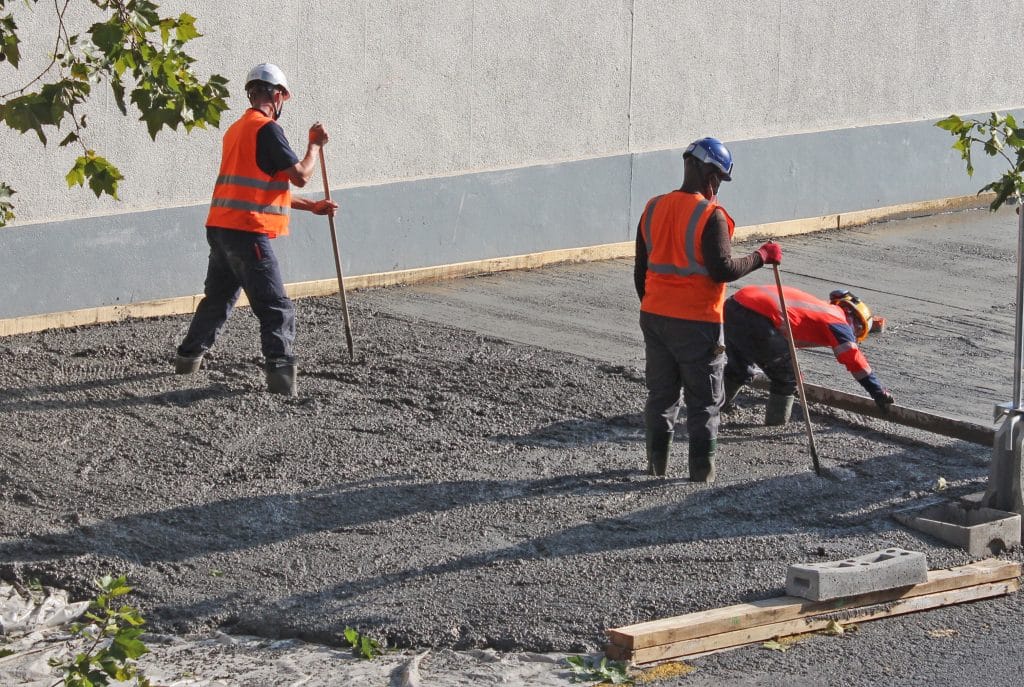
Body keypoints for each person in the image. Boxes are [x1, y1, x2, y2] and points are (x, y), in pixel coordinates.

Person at [174, 63, 338, 396]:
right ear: (277, 95)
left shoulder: (237, 130)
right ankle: (281, 380)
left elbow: (259, 189)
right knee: (276, 306)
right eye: (283, 98)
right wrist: (315, 146)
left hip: (222, 228)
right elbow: (300, 175)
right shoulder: (267, 130)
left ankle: (187, 360)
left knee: (217, 300)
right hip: (247, 232)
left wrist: (312, 207)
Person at [634, 137, 780, 482]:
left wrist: (655, 307)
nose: (717, 186)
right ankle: (701, 474)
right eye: (717, 177)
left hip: (655, 317)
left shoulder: (653, 208)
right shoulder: (710, 216)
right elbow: (723, 269)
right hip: (697, 322)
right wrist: (763, 256)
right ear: (703, 170)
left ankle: (656, 467)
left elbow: (642, 271)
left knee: (661, 395)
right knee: (704, 401)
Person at [723, 285, 894, 424]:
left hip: (734, 305)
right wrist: (877, 391)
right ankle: (775, 426)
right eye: (857, 331)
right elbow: (853, 359)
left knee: (740, 368)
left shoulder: (819, 309)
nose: (854, 335)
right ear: (855, 321)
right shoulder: (838, 320)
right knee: (788, 377)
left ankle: (713, 408)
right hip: (759, 318)